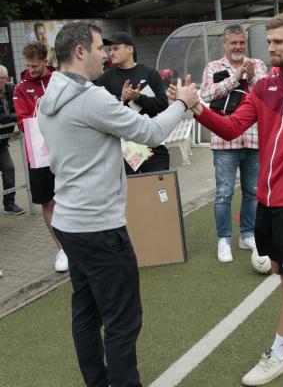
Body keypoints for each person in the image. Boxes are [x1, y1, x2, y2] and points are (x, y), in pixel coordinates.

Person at [171, 11, 283, 385]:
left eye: (277, 42)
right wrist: (196, 107)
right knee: (282, 267)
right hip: (266, 199)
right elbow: (232, 126)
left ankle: (278, 355)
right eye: (268, 42)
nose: (269, 48)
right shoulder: (265, 86)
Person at [38, 21, 198, 387]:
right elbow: (152, 133)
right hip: (99, 226)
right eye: (99, 49)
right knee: (123, 319)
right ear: (80, 51)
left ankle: (98, 381)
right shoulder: (89, 97)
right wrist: (182, 103)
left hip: (69, 222)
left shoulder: (51, 93)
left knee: (86, 311)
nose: (105, 56)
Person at [200, 24, 267, 263]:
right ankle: (224, 239)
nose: (238, 47)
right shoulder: (213, 67)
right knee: (224, 193)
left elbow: (268, 93)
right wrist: (235, 78)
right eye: (233, 43)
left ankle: (247, 234)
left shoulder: (257, 64)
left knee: (252, 191)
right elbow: (206, 95)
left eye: (241, 42)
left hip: (254, 136)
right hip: (223, 139)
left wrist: (254, 76)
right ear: (225, 44)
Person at [13, 41, 68, 272]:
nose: (31, 69)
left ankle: (78, 242)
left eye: (35, 65)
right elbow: (23, 123)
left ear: (46, 61)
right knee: (48, 201)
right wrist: (41, 110)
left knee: (70, 197)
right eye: (28, 65)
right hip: (39, 155)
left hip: (66, 149)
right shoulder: (20, 88)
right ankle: (62, 249)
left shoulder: (60, 79)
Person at [95, 31, 170, 174]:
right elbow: (100, 112)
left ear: (130, 49)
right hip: (125, 148)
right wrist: (121, 99)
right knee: (132, 194)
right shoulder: (106, 78)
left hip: (153, 143)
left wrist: (138, 98)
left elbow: (162, 104)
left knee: (158, 191)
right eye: (110, 49)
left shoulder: (149, 73)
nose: (111, 53)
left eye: (116, 48)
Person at [0, 65, 25, 215]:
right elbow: (1, 118)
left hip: (2, 143)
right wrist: (17, 116)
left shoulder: (13, 89)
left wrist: (17, 115)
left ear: (6, 79)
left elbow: (21, 108)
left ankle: (9, 203)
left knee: (9, 169)